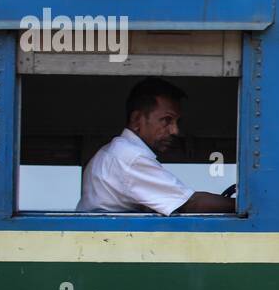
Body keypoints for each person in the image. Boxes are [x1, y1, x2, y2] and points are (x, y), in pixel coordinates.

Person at [76, 78, 236, 215]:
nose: (175, 131)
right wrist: (250, 207)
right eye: (167, 120)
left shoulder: (115, 151)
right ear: (137, 119)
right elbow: (189, 204)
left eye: (177, 122)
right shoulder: (130, 156)